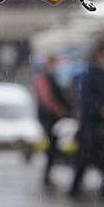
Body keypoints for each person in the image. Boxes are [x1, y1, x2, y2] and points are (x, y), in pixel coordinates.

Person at [69, 44, 104, 201]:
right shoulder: (89, 75)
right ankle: (80, 188)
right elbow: (85, 100)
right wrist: (101, 109)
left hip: (100, 123)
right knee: (88, 156)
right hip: (91, 123)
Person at [32, 55, 71, 187]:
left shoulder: (50, 78)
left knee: (53, 145)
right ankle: (47, 175)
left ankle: (48, 175)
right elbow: (47, 99)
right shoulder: (44, 78)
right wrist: (59, 109)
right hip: (49, 117)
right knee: (52, 146)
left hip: (51, 116)